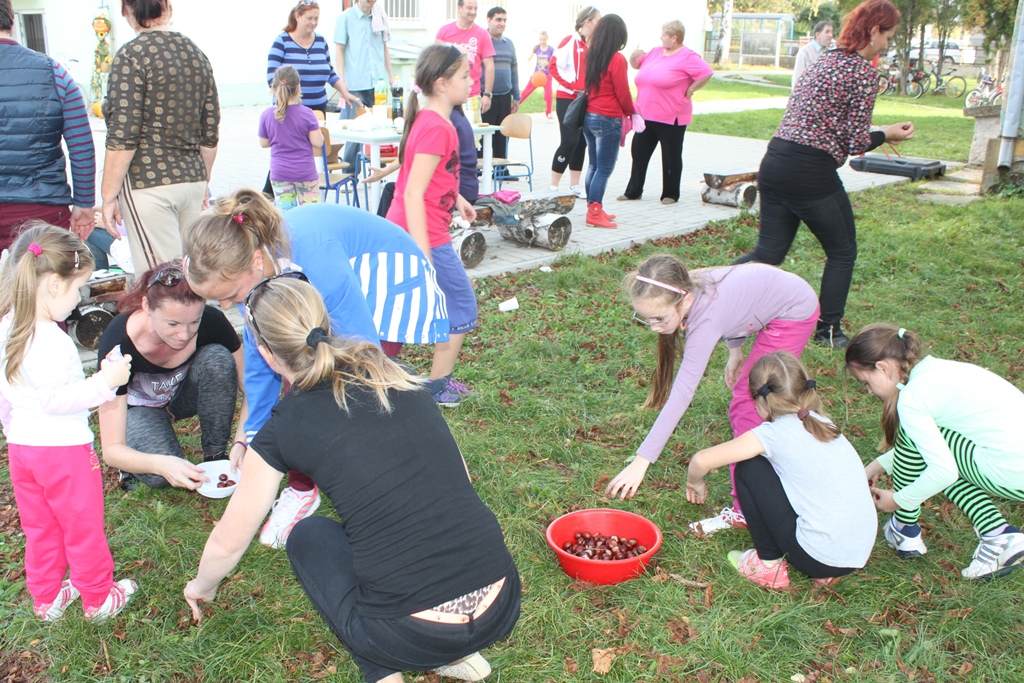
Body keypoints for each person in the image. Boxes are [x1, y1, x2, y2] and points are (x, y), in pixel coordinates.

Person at [183, 278, 520, 683]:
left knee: (308, 535)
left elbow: (229, 541)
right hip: (501, 601)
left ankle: (385, 672)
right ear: (325, 325)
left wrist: (202, 587)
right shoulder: (394, 372)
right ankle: (456, 654)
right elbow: (460, 477)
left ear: (267, 354)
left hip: (411, 633)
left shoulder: (285, 426)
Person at [182, 194, 449, 548]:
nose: (226, 305)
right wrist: (252, 437)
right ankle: (304, 488)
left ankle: (385, 474)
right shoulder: (253, 275)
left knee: (349, 387)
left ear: (256, 263)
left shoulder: (318, 262)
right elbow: (261, 361)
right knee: (307, 383)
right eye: (218, 300)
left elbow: (365, 354)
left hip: (384, 275)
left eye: (230, 295)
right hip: (331, 282)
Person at [732, 0, 914, 349]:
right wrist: (887, 133)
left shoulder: (825, 59)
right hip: (810, 173)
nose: (887, 44)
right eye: (888, 36)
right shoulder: (863, 73)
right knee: (843, 252)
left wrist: (872, 130)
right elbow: (856, 141)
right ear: (874, 30)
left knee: (768, 253)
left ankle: (705, 294)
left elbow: (827, 120)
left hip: (775, 161)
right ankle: (829, 331)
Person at [604, 256, 820, 535]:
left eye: (660, 319)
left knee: (750, 402)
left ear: (684, 301)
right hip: (778, 300)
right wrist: (735, 349)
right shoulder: (689, 288)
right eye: (645, 319)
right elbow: (741, 304)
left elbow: (682, 394)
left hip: (792, 311)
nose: (655, 327)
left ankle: (745, 510)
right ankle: (776, 466)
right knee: (751, 400)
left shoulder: (705, 319)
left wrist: (641, 461)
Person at [0, 223, 137, 621]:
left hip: (23, 450)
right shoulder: (50, 340)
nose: (79, 300)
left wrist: (13, 431)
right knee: (83, 526)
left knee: (41, 527)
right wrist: (106, 382)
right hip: (63, 453)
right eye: (78, 289)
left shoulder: (8, 325)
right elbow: (57, 400)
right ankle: (97, 598)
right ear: (54, 284)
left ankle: (46, 598)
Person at [846, 324, 1024, 580]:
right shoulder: (939, 370)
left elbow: (943, 471)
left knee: (927, 453)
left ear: (883, 368)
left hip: (1011, 474)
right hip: (1013, 466)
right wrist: (876, 466)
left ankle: (906, 527)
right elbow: (935, 444)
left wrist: (899, 500)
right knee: (926, 445)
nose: (869, 391)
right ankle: (996, 533)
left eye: (866, 382)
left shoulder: (911, 399)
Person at [686, 351, 877, 589]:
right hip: (856, 554)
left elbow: (701, 461)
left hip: (817, 556)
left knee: (749, 467)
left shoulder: (773, 434)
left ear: (760, 399)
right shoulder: (823, 423)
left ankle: (768, 565)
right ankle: (824, 570)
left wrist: (695, 482)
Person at [96, 261, 247, 490]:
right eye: (172, 323)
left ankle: (216, 456)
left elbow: (252, 388)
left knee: (217, 357)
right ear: (147, 306)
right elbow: (111, 450)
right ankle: (133, 462)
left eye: (194, 322)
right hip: (139, 409)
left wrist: (241, 442)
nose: (184, 334)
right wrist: (161, 465)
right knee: (160, 477)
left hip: (181, 397)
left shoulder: (212, 321)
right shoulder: (118, 344)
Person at [386, 45, 478, 407]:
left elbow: (431, 175)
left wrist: (458, 198)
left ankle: (372, 379)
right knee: (462, 306)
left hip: (408, 230)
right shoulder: (437, 127)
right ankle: (438, 388)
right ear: (441, 84)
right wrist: (423, 254)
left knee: (394, 313)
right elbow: (412, 193)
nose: (471, 82)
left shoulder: (431, 120)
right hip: (421, 234)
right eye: (465, 76)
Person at [101, 0, 220, 273]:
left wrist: (108, 196)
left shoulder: (131, 55)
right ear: (167, 7)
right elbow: (210, 130)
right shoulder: (196, 53)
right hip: (192, 178)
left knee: (162, 281)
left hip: (148, 180)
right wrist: (203, 180)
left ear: (127, 11)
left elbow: (123, 135)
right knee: (192, 276)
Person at [0, 0, 95, 249]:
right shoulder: (54, 72)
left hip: (41, 209)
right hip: (42, 212)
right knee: (43, 273)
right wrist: (84, 204)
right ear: (12, 24)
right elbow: (81, 146)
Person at [618, 21, 712, 205]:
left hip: (671, 115)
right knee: (639, 152)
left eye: (664, 35)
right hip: (646, 113)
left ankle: (670, 194)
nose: (660, 38)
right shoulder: (655, 52)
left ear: (674, 38)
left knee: (671, 155)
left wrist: (691, 89)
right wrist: (633, 57)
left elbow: (706, 72)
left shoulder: (687, 56)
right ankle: (633, 191)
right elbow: (637, 65)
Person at [581, 14, 633, 229]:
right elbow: (623, 91)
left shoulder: (591, 55)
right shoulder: (617, 59)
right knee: (604, 168)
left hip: (589, 116)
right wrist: (631, 111)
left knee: (593, 165)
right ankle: (594, 212)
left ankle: (593, 207)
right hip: (608, 118)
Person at [333, 0, 394, 171]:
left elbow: (384, 48)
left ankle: (378, 172)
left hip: (378, 84)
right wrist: (341, 80)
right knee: (355, 133)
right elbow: (339, 49)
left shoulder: (380, 16)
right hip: (355, 84)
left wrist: (391, 76)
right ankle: (349, 174)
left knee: (379, 129)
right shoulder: (345, 18)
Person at [549, 6, 601, 197]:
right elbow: (554, 66)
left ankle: (574, 185)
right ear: (588, 21)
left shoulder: (595, 44)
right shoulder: (570, 40)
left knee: (581, 142)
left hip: (587, 99)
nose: (601, 24)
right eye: (598, 20)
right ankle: (553, 186)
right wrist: (572, 86)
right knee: (569, 140)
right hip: (568, 98)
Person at [259, 66, 325, 211]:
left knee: (286, 214)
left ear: (274, 88)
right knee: (310, 214)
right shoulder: (307, 114)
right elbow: (318, 142)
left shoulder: (267, 114)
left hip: (280, 173)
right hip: (305, 172)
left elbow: (264, 143)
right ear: (298, 87)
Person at [436, 0, 495, 121]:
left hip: (471, 95)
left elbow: (489, 66)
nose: (473, 12)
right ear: (459, 8)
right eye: (469, 8)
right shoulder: (444, 32)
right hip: (447, 95)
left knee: (471, 131)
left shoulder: (483, 34)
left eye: (475, 8)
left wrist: (487, 94)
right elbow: (435, 62)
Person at [480, 7, 519, 160]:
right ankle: (480, 169)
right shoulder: (482, 41)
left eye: (504, 20)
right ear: (489, 20)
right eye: (498, 20)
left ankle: (502, 169)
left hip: (505, 97)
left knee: (503, 137)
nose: (502, 23)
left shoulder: (509, 44)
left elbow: (514, 70)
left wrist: (516, 96)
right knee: (483, 139)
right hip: (485, 97)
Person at [519, 31, 554, 120]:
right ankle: (514, 107)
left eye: (544, 39)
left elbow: (555, 60)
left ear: (547, 39)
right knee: (525, 92)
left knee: (548, 96)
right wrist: (529, 64)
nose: (542, 41)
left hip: (547, 76)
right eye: (541, 39)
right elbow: (528, 59)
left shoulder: (551, 50)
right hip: (537, 75)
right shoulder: (537, 48)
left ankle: (549, 113)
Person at [792, 21, 834, 87]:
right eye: (827, 32)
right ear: (817, 35)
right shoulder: (805, 51)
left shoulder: (831, 52)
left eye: (831, 32)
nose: (830, 35)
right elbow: (797, 77)